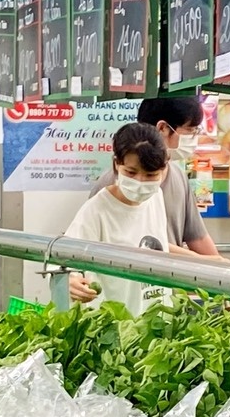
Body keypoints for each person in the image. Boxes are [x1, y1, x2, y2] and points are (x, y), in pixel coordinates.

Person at [63, 120, 191, 311]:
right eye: (131, 172)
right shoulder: (97, 210)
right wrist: (71, 281)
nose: (140, 182)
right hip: (117, 326)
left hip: (155, 318)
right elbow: (64, 258)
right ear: (117, 164)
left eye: (150, 175)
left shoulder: (156, 197)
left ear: (164, 168)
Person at [134, 93, 224, 258]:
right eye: (190, 130)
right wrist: (200, 260)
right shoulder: (121, 181)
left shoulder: (178, 176)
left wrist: (225, 270)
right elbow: (136, 239)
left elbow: (197, 237)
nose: (194, 138)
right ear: (163, 128)